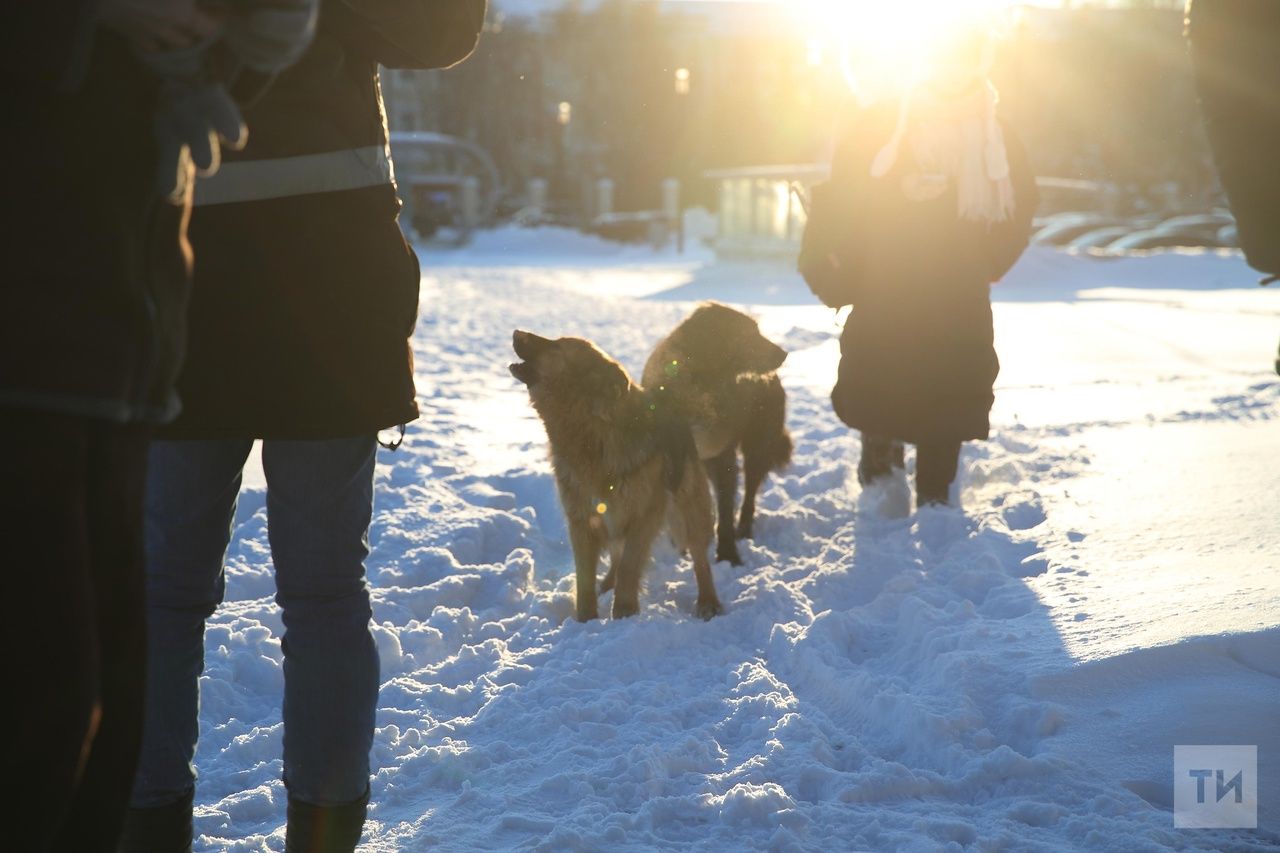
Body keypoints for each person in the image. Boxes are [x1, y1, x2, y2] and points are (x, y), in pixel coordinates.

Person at [121, 2, 486, 850]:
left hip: (188, 293)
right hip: (331, 300)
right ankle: (321, 837)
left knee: (163, 596)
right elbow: (443, 31)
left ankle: (145, 829)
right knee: (323, 594)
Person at [0, 3, 314, 849]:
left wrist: (244, 43)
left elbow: (170, 97)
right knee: (41, 724)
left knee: (101, 728)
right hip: (26, 358)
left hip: (119, 359)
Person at [800, 27, 1038, 509]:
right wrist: (835, 261)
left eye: (963, 61)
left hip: (956, 292)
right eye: (942, 60)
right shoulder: (884, 122)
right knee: (879, 379)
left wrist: (986, 262)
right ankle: (881, 476)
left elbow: (1019, 207)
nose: (951, 72)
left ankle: (935, 495)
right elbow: (841, 195)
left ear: (978, 64)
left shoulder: (995, 133)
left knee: (949, 387)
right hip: (885, 279)